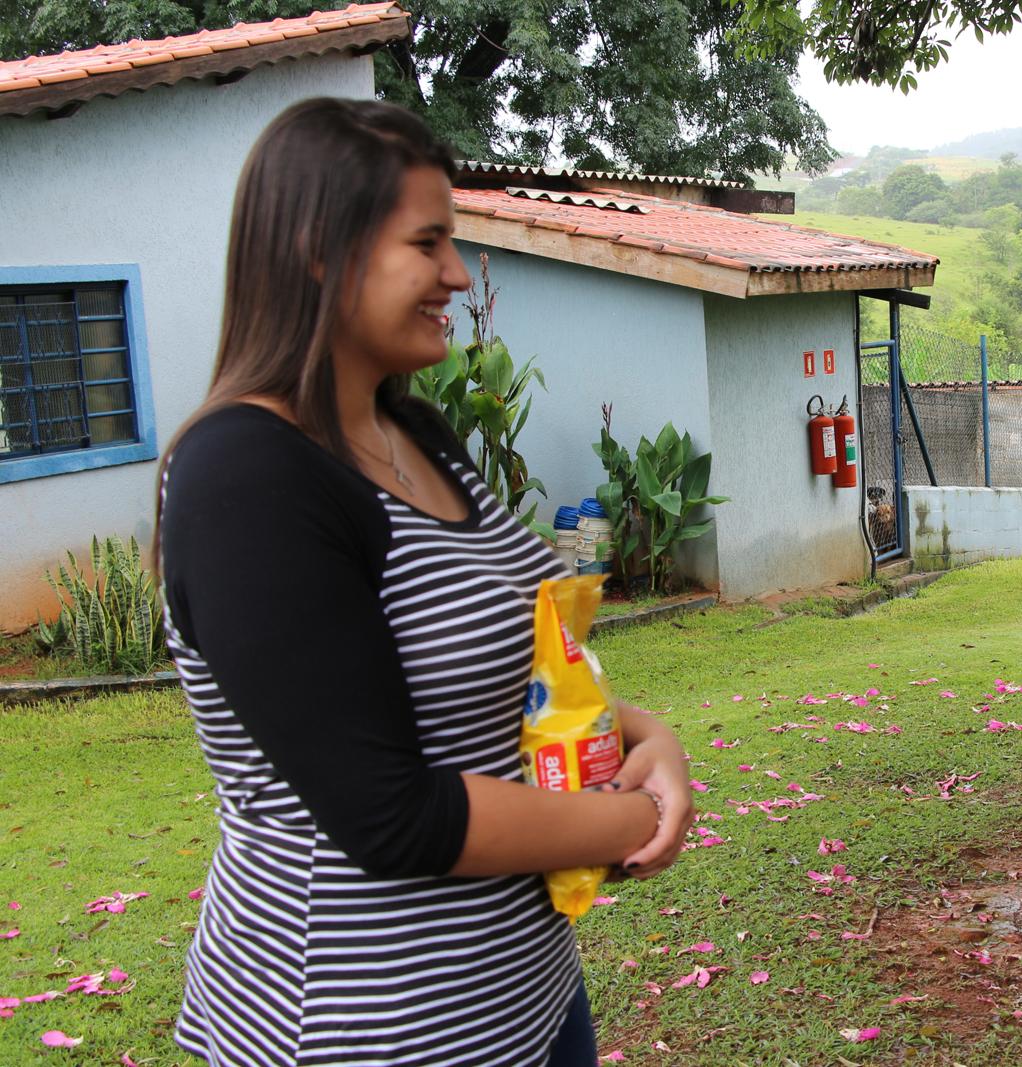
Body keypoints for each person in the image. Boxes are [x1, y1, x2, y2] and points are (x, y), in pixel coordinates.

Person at [155, 98, 694, 1067]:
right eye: (430, 241)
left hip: (521, 997)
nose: (456, 274)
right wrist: (632, 816)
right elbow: (387, 813)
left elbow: (518, 671)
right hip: (361, 1028)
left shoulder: (419, 436)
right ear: (321, 249)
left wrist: (650, 739)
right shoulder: (248, 476)